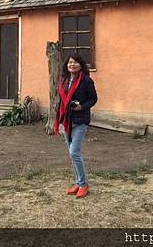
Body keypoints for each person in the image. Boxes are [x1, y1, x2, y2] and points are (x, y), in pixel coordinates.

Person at [54, 53, 98, 198]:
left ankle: (84, 184)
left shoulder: (86, 81)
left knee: (74, 152)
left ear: (81, 65)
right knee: (72, 154)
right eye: (69, 62)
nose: (72, 65)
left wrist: (82, 107)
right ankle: (78, 183)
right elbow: (62, 100)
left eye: (75, 62)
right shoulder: (64, 80)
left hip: (80, 120)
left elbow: (93, 99)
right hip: (66, 120)